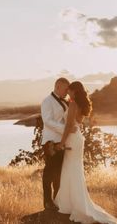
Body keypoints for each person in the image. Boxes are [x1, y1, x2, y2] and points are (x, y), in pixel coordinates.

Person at [54, 81, 117, 224]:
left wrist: (61, 143)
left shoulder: (74, 104)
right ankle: (73, 203)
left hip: (72, 139)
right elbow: (74, 123)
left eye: (69, 90)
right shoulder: (80, 104)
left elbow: (69, 125)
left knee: (71, 169)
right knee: (74, 170)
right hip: (78, 138)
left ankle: (74, 205)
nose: (67, 92)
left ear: (74, 91)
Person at [40, 77, 71, 211]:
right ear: (58, 87)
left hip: (62, 141)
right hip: (50, 141)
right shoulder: (47, 101)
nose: (67, 92)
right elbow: (47, 121)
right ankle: (47, 202)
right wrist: (65, 129)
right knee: (49, 172)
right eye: (65, 89)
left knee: (59, 173)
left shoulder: (65, 101)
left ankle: (57, 200)